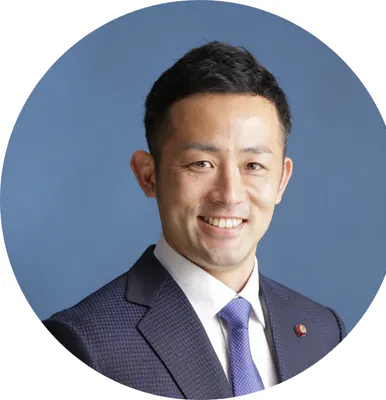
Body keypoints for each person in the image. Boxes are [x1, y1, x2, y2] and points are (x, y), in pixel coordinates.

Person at [43, 41, 346, 399]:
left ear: (281, 180)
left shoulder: (325, 332)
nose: (229, 195)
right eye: (201, 164)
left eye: (253, 166)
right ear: (148, 175)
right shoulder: (82, 345)